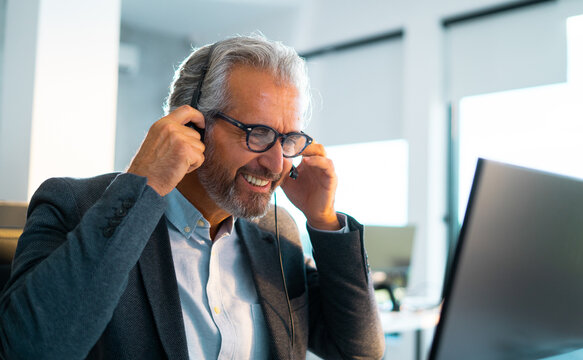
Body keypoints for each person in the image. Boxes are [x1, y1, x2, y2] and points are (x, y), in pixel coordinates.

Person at [0, 34, 384, 360]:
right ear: (192, 123)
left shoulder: (276, 232)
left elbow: (359, 349)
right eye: (258, 133)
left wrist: (324, 220)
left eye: (288, 140)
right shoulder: (73, 205)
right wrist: (143, 185)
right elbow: (32, 347)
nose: (275, 161)